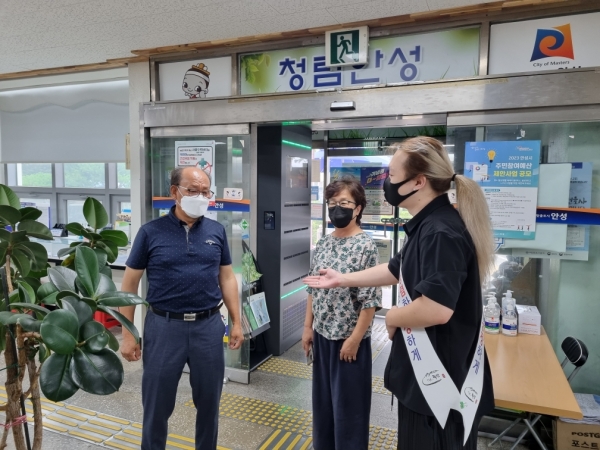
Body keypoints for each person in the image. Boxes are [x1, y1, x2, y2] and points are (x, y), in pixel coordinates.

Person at [304, 137, 495, 450]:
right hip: (427, 381)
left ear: (418, 182)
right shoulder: (427, 225)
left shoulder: (440, 232)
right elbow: (395, 270)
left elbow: (436, 309)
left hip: (440, 386)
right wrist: (341, 279)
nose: (387, 184)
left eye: (392, 176)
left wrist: (391, 316)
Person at [120, 166, 244, 450]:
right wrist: (128, 334)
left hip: (208, 327)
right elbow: (129, 284)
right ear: (175, 192)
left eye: (205, 192)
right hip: (164, 327)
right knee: (156, 404)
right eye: (193, 190)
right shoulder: (150, 232)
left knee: (210, 404)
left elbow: (227, 277)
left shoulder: (216, 231)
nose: (200, 197)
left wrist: (236, 322)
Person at [302, 177, 382, 450]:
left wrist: (355, 339)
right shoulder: (324, 243)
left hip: (349, 341)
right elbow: (313, 287)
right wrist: (307, 327)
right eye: (332, 202)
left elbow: (370, 301)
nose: (337, 208)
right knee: (323, 406)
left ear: (358, 208)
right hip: (322, 335)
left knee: (350, 411)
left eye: (344, 202)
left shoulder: (366, 246)